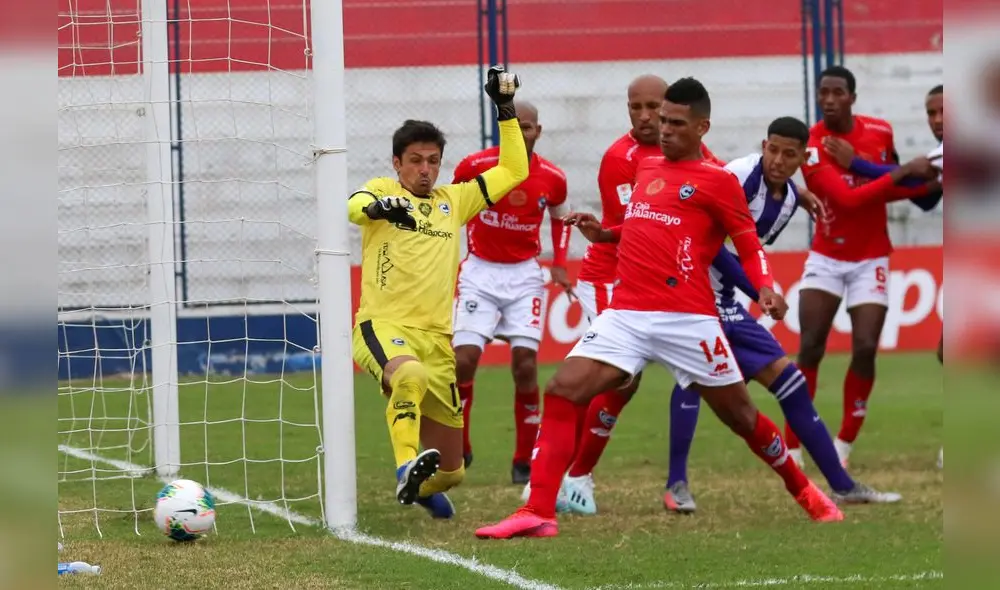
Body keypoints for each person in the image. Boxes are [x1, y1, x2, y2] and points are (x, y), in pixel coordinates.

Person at [476, 78, 843, 540]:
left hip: (688, 319)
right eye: (660, 120)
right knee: (564, 389)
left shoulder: (719, 181)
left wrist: (764, 287)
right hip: (628, 312)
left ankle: (805, 491)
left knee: (742, 418)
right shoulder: (646, 167)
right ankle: (538, 511)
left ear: (702, 127)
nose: (662, 128)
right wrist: (604, 233)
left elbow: (748, 245)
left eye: (674, 122)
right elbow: (638, 223)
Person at [661, 116, 902, 513]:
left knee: (789, 382)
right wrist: (759, 289)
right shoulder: (737, 174)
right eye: (772, 149)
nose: (777, 159)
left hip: (725, 302)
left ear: (802, 158)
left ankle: (842, 485)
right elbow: (710, 242)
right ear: (763, 145)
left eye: (789, 154)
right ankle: (675, 485)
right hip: (691, 293)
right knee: (689, 380)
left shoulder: (789, 201)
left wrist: (756, 288)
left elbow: (745, 249)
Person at [347, 66, 528, 519]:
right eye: (415, 160)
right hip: (383, 327)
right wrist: (381, 206)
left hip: (437, 340)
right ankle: (405, 463)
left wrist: (505, 109)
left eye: (432, 161)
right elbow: (355, 207)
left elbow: (514, 169)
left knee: (453, 472)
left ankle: (422, 485)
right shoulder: (385, 191)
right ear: (397, 162)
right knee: (408, 377)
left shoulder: (454, 201)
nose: (425, 170)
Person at [552, 74, 724, 515]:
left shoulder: (695, 153)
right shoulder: (620, 158)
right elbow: (637, 231)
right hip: (613, 276)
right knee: (621, 377)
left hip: (662, 283)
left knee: (688, 374)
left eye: (654, 108)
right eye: (636, 108)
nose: (646, 117)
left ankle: (578, 472)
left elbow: (719, 191)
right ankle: (574, 478)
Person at [792, 65, 940, 469]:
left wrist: (926, 186)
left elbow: (901, 190)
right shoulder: (811, 142)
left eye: (837, 92)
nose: (828, 100)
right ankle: (792, 445)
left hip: (871, 257)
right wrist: (910, 172)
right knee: (810, 346)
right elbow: (847, 200)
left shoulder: (880, 132)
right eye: (823, 92)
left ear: (852, 97)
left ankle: (843, 445)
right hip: (825, 257)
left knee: (865, 348)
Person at [450, 101, 572, 484]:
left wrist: (561, 262)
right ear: (503, 128)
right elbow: (448, 210)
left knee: (524, 364)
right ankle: (460, 447)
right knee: (464, 360)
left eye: (529, 127)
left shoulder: (552, 177)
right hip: (480, 272)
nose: (522, 132)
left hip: (524, 277)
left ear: (539, 131)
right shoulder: (474, 167)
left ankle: (523, 460)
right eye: (514, 126)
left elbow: (560, 217)